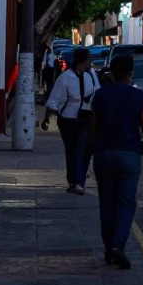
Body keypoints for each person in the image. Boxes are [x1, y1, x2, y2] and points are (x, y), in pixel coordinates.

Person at [91, 52, 143, 269]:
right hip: (129, 154)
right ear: (130, 73)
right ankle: (118, 244)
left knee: (106, 202)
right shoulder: (139, 97)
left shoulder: (99, 95)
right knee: (126, 201)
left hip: (104, 155)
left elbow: (93, 128)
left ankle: (109, 247)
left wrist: (90, 152)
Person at [40, 46, 98, 194]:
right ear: (82, 61)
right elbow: (54, 101)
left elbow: (97, 95)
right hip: (68, 120)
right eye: (88, 59)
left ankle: (79, 182)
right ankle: (73, 181)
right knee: (71, 151)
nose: (90, 62)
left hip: (85, 119)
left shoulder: (90, 76)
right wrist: (46, 119)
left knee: (84, 150)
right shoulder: (65, 78)